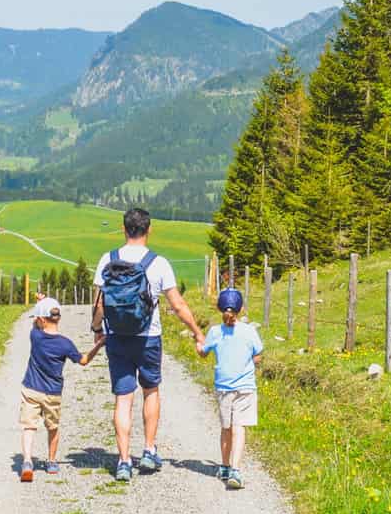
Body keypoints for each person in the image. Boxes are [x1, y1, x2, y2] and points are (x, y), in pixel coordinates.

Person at [91, 207, 203, 482]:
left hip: (117, 336)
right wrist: (197, 332)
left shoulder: (109, 258)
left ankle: (124, 461)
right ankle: (149, 450)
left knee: (123, 398)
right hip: (149, 337)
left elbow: (100, 302)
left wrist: (96, 329)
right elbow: (177, 304)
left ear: (123, 228)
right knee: (150, 390)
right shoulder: (159, 263)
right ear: (149, 229)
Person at [18, 296, 102, 482]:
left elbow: (35, 323)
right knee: (53, 427)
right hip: (53, 393)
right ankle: (52, 461)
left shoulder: (36, 336)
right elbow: (83, 360)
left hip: (31, 389)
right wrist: (99, 344)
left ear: (41, 319)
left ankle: (27, 461)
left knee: (29, 427)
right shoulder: (65, 343)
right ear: (59, 318)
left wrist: (42, 301)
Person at [196, 287, 263, 489]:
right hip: (245, 386)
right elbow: (258, 354)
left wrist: (198, 344)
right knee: (239, 427)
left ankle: (224, 466)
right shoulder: (250, 331)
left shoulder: (215, 332)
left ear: (219, 308)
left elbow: (203, 353)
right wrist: (252, 364)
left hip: (223, 387)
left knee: (226, 428)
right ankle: (235, 469)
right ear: (241, 308)